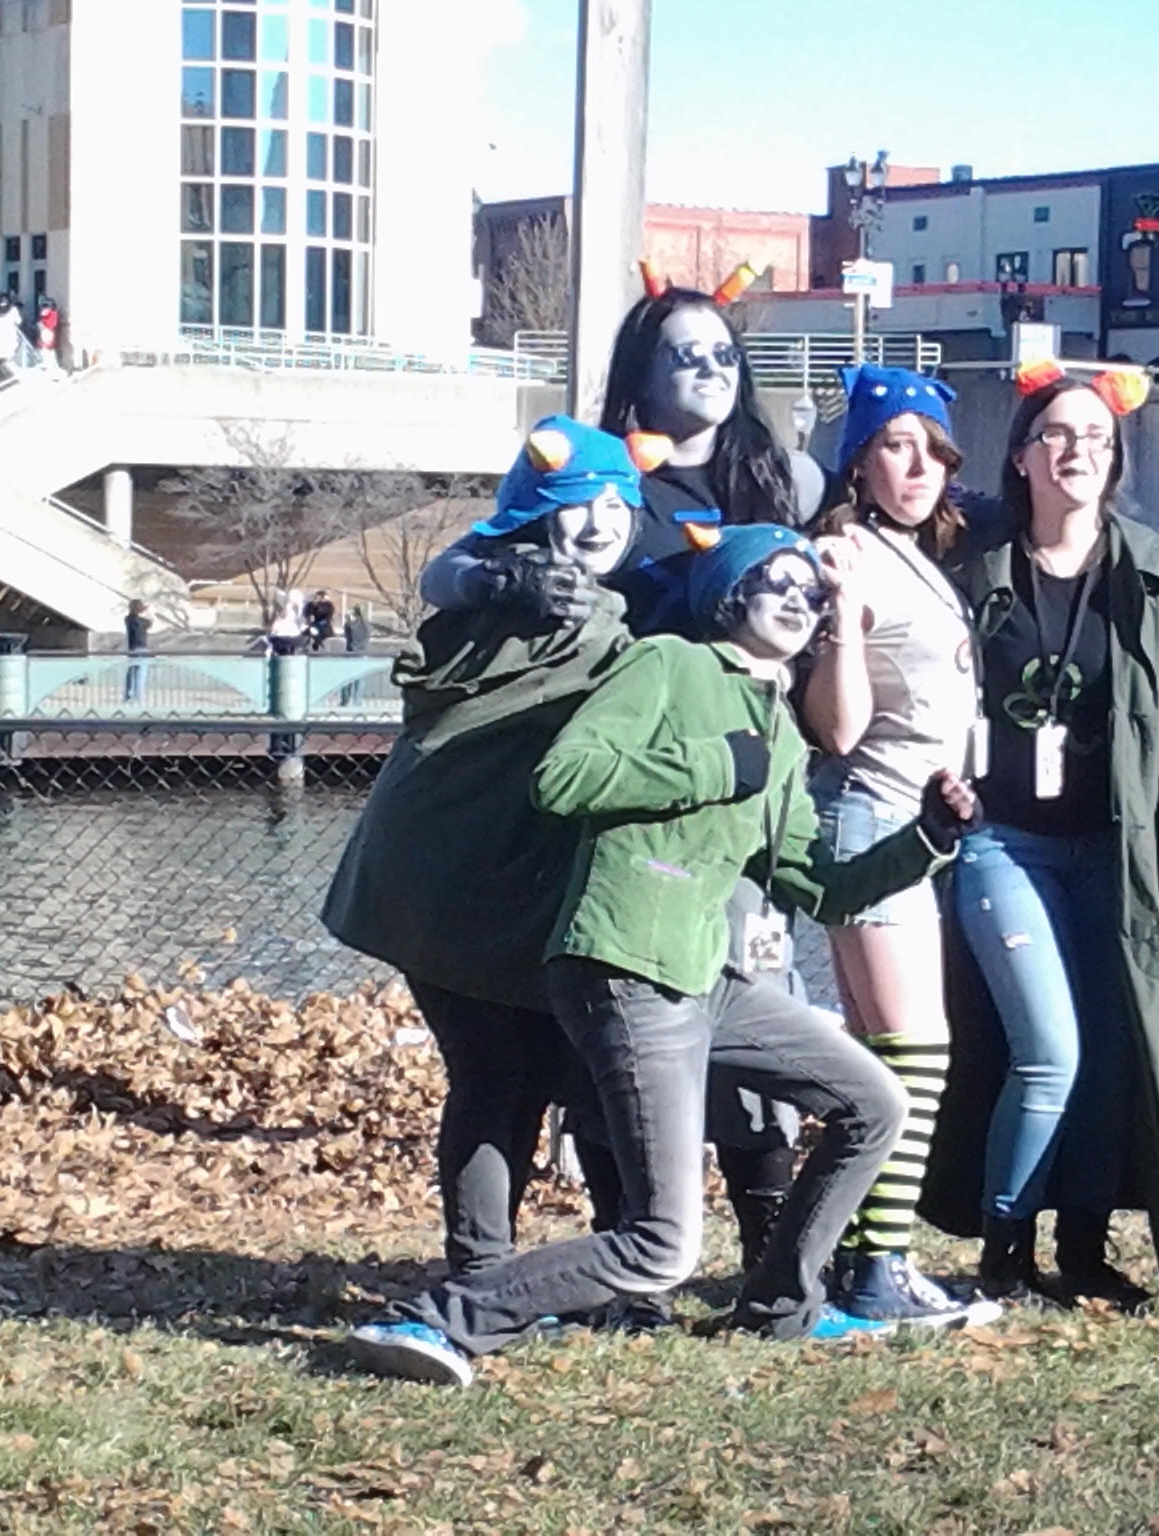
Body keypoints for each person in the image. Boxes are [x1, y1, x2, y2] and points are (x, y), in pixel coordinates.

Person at [346, 524, 984, 1385]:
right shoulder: (666, 666)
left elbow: (822, 887)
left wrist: (929, 838)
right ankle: (440, 1321)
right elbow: (565, 777)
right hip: (626, 967)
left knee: (875, 1102)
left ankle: (781, 1306)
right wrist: (714, 764)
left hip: (705, 976)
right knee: (662, 1246)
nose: (799, 600)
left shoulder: (780, 732)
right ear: (729, 595)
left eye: (812, 591)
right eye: (777, 581)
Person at [418, 268, 818, 1302]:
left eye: (723, 353)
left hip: (733, 799)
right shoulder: (594, 483)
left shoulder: (781, 485)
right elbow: (449, 570)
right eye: (683, 354)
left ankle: (765, 1258)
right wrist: (498, 579)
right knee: (593, 1053)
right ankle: (608, 1269)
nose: (709, 370)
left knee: (753, 1010)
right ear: (640, 369)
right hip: (606, 797)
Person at [918, 362, 1159, 1313]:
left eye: (1096, 438)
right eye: (1056, 435)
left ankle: (1084, 1249)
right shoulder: (971, 568)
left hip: (1119, 853)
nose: (1077, 451)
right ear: (1022, 456)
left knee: (1112, 1053)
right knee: (1047, 1048)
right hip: (1002, 844)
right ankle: (1005, 1251)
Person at [325, 417, 647, 1280]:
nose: (601, 522)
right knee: (507, 1072)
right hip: (456, 884)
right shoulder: (530, 600)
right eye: (579, 501)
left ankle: (529, 1265)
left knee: (528, 1071)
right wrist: (500, 578)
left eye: (618, 504)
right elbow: (454, 569)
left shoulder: (567, 602)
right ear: (536, 512)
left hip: (463, 886)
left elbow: (449, 570)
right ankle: (494, 1272)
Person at [799, 365, 995, 1329]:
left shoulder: (913, 554)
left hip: (914, 826)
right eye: (895, 447)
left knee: (891, 1056)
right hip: (871, 818)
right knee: (914, 1053)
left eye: (934, 450)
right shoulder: (851, 557)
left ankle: (858, 1258)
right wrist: (841, 619)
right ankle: (877, 1269)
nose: (919, 468)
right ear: (858, 463)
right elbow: (837, 730)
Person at [338, 605, 371, 707]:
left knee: (346, 680)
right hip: (361, 654)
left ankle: (345, 701)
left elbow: (349, 634)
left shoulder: (350, 625)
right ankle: (357, 703)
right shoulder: (366, 625)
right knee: (359, 682)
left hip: (351, 654)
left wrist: (348, 621)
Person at [122, 599, 151, 703]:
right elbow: (149, 623)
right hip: (141, 648)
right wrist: (146, 611)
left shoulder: (128, 619)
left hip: (132, 648)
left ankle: (128, 695)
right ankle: (138, 697)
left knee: (132, 672)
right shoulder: (141, 621)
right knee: (140, 674)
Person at [268, 590, 307, 655]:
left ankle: (286, 652)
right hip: (283, 637)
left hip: (290, 636)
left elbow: (301, 624)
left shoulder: (294, 613)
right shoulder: (287, 612)